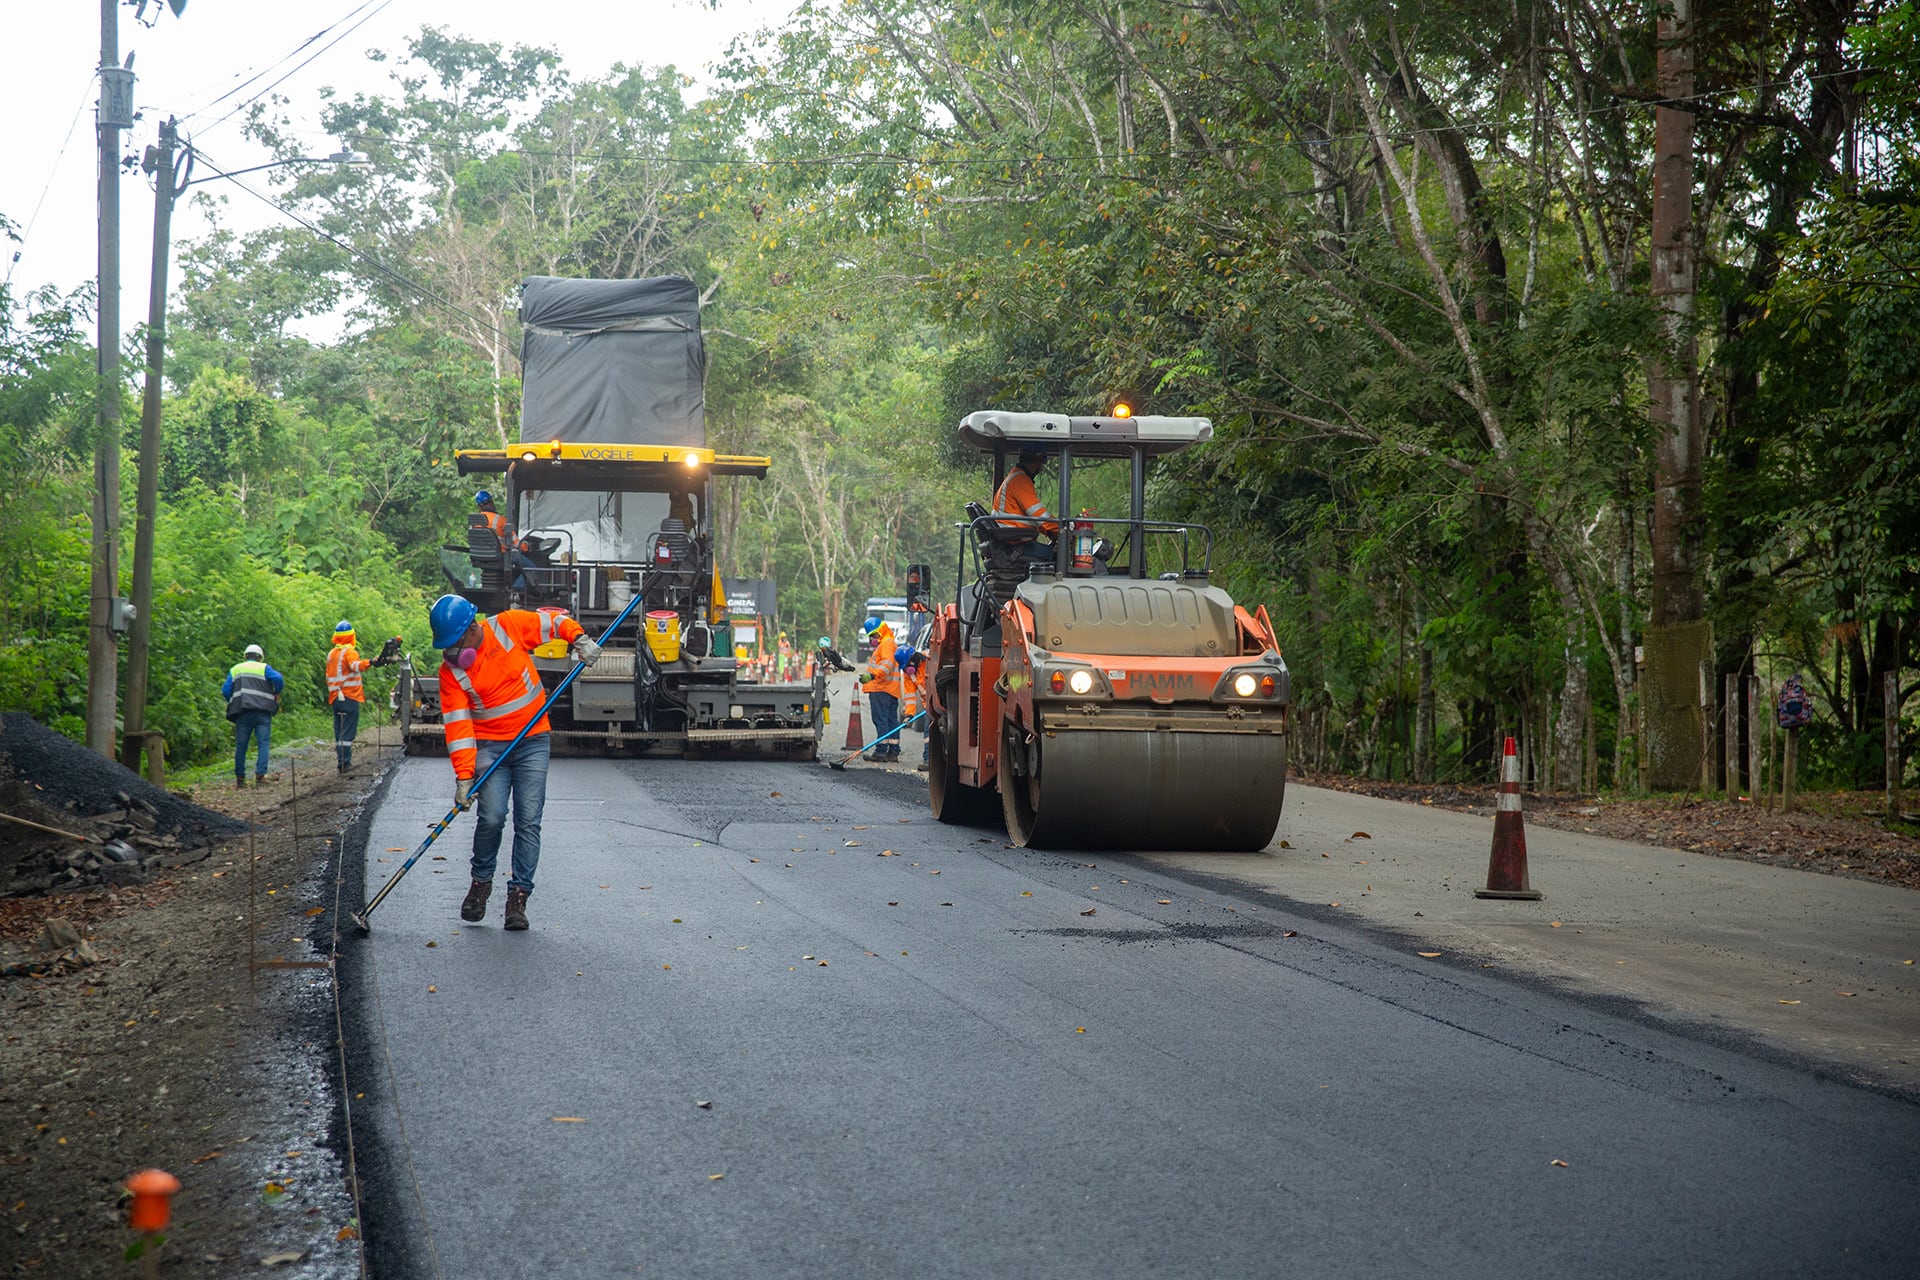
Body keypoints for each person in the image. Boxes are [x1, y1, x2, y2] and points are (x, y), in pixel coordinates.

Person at [431, 592, 597, 931]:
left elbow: (553, 622)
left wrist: (580, 639)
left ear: (472, 628)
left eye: (455, 642)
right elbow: (459, 728)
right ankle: (480, 884)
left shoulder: (507, 625)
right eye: (446, 646)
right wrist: (464, 777)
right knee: (491, 817)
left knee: (528, 820)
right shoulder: (451, 673)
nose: (452, 652)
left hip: (533, 741)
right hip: (491, 748)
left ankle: (518, 898)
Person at [223, 643, 285, 787]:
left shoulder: (235, 669)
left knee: (241, 745)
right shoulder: (264, 668)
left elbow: (226, 690)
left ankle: (240, 779)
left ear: (245, 656)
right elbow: (278, 679)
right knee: (263, 743)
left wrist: (234, 700)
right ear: (260, 657)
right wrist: (276, 692)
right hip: (262, 712)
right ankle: (261, 776)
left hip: (242, 712)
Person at [993, 446, 1060, 561]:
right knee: (1059, 557)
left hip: (1012, 543)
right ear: (1037, 462)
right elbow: (1038, 514)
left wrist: (1050, 532)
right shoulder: (1020, 480)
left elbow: (1033, 518)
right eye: (1040, 464)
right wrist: (1060, 530)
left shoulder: (1015, 477)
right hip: (1016, 546)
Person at [325, 621, 373, 773]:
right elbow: (355, 666)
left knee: (339, 731)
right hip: (349, 697)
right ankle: (345, 763)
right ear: (351, 636)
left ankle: (341, 761)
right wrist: (371, 662)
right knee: (347, 732)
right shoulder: (349, 652)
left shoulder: (332, 654)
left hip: (335, 698)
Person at [860, 616, 903, 762]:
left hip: (881, 688)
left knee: (881, 720)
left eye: (872, 635)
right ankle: (893, 751)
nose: (871, 639)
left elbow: (886, 665)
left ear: (879, 632)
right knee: (891, 721)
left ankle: (881, 751)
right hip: (889, 690)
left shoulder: (885, 644)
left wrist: (871, 675)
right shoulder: (889, 643)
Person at [476, 491, 533, 590]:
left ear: (479, 507)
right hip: (503, 555)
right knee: (532, 568)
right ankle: (516, 589)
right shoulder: (501, 520)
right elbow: (516, 543)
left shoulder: (475, 521)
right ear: (491, 502)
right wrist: (527, 548)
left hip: (481, 557)